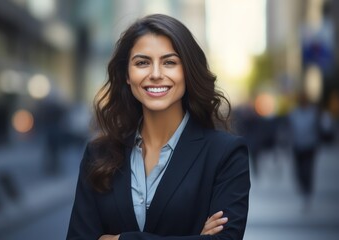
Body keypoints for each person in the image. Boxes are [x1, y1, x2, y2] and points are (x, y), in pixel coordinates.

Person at [67, 14, 250, 240]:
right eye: (142, 62)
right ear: (127, 74)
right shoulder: (98, 154)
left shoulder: (226, 154)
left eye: (169, 62)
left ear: (187, 71)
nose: (155, 74)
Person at [288, 91, 320, 210]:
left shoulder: (313, 113)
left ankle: (308, 191)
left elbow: (318, 129)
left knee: (308, 170)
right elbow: (290, 129)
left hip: (310, 146)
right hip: (297, 147)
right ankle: (303, 188)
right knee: (299, 170)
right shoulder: (294, 113)